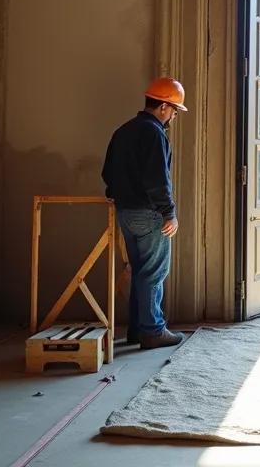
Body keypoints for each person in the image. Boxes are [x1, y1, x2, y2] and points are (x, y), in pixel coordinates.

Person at [101, 77, 188, 349]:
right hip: (150, 216)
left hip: (126, 213)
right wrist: (169, 213)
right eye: (174, 110)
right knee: (153, 274)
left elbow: (107, 173)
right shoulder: (154, 133)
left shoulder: (123, 130)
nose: (174, 115)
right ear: (163, 106)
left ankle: (138, 330)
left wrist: (117, 195)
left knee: (140, 271)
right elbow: (158, 179)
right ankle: (152, 331)